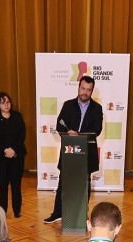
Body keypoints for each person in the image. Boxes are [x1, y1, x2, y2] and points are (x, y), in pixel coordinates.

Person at [43, 76, 104, 224]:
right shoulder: (68, 105)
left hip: (86, 152)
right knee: (63, 182)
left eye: (88, 90)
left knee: (85, 184)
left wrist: (80, 135)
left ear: (92, 91)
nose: (85, 92)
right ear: (78, 88)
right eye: (83, 88)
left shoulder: (97, 108)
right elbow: (59, 125)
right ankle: (57, 213)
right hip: (69, 149)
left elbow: (97, 129)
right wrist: (69, 132)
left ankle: (82, 215)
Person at [0, 92, 26, 218]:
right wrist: (5, 150)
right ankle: (2, 211)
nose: (6, 105)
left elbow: (22, 135)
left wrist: (13, 149)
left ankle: (17, 211)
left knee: (16, 184)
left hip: (16, 156)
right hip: (0, 157)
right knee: (2, 185)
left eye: (8, 102)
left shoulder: (17, 116)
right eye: (3, 103)